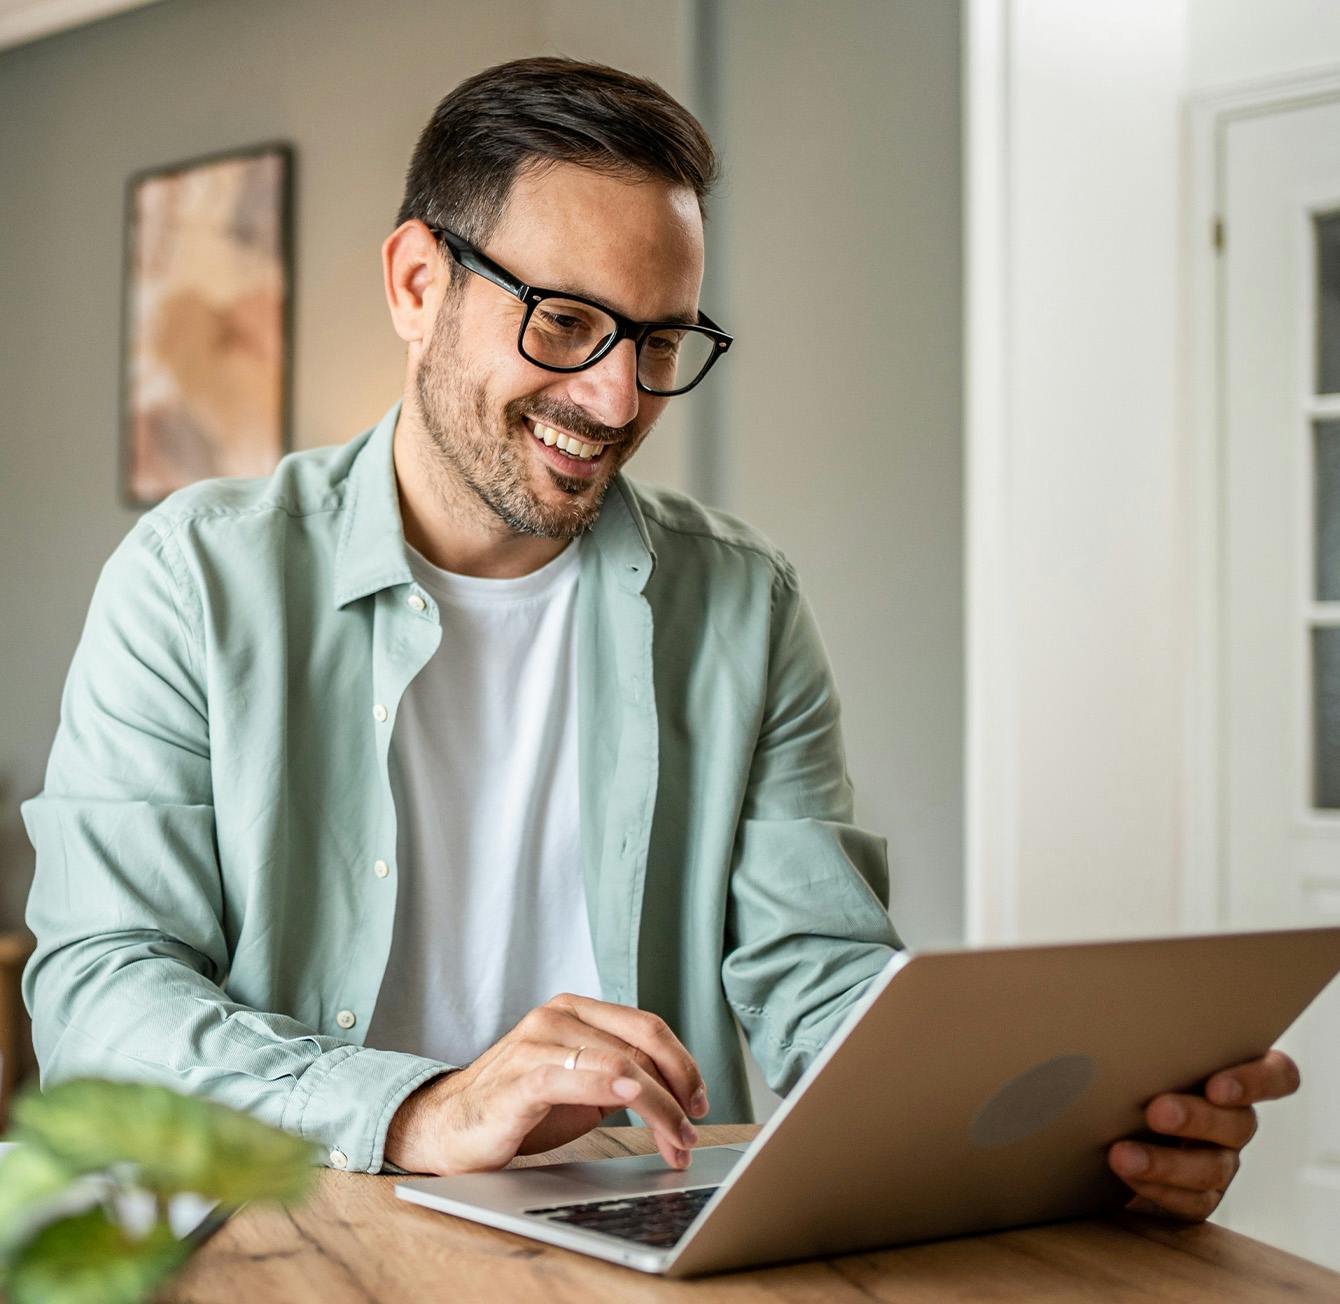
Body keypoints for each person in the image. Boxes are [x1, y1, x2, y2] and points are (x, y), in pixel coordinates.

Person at [23, 58, 1295, 1219]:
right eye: (563, 322)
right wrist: (418, 1108)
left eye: (659, 339)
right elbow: (98, 991)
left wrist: (1060, 1135)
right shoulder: (198, 577)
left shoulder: (743, 601)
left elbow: (815, 975)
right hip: (298, 1225)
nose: (615, 396)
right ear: (417, 284)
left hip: (635, 1235)